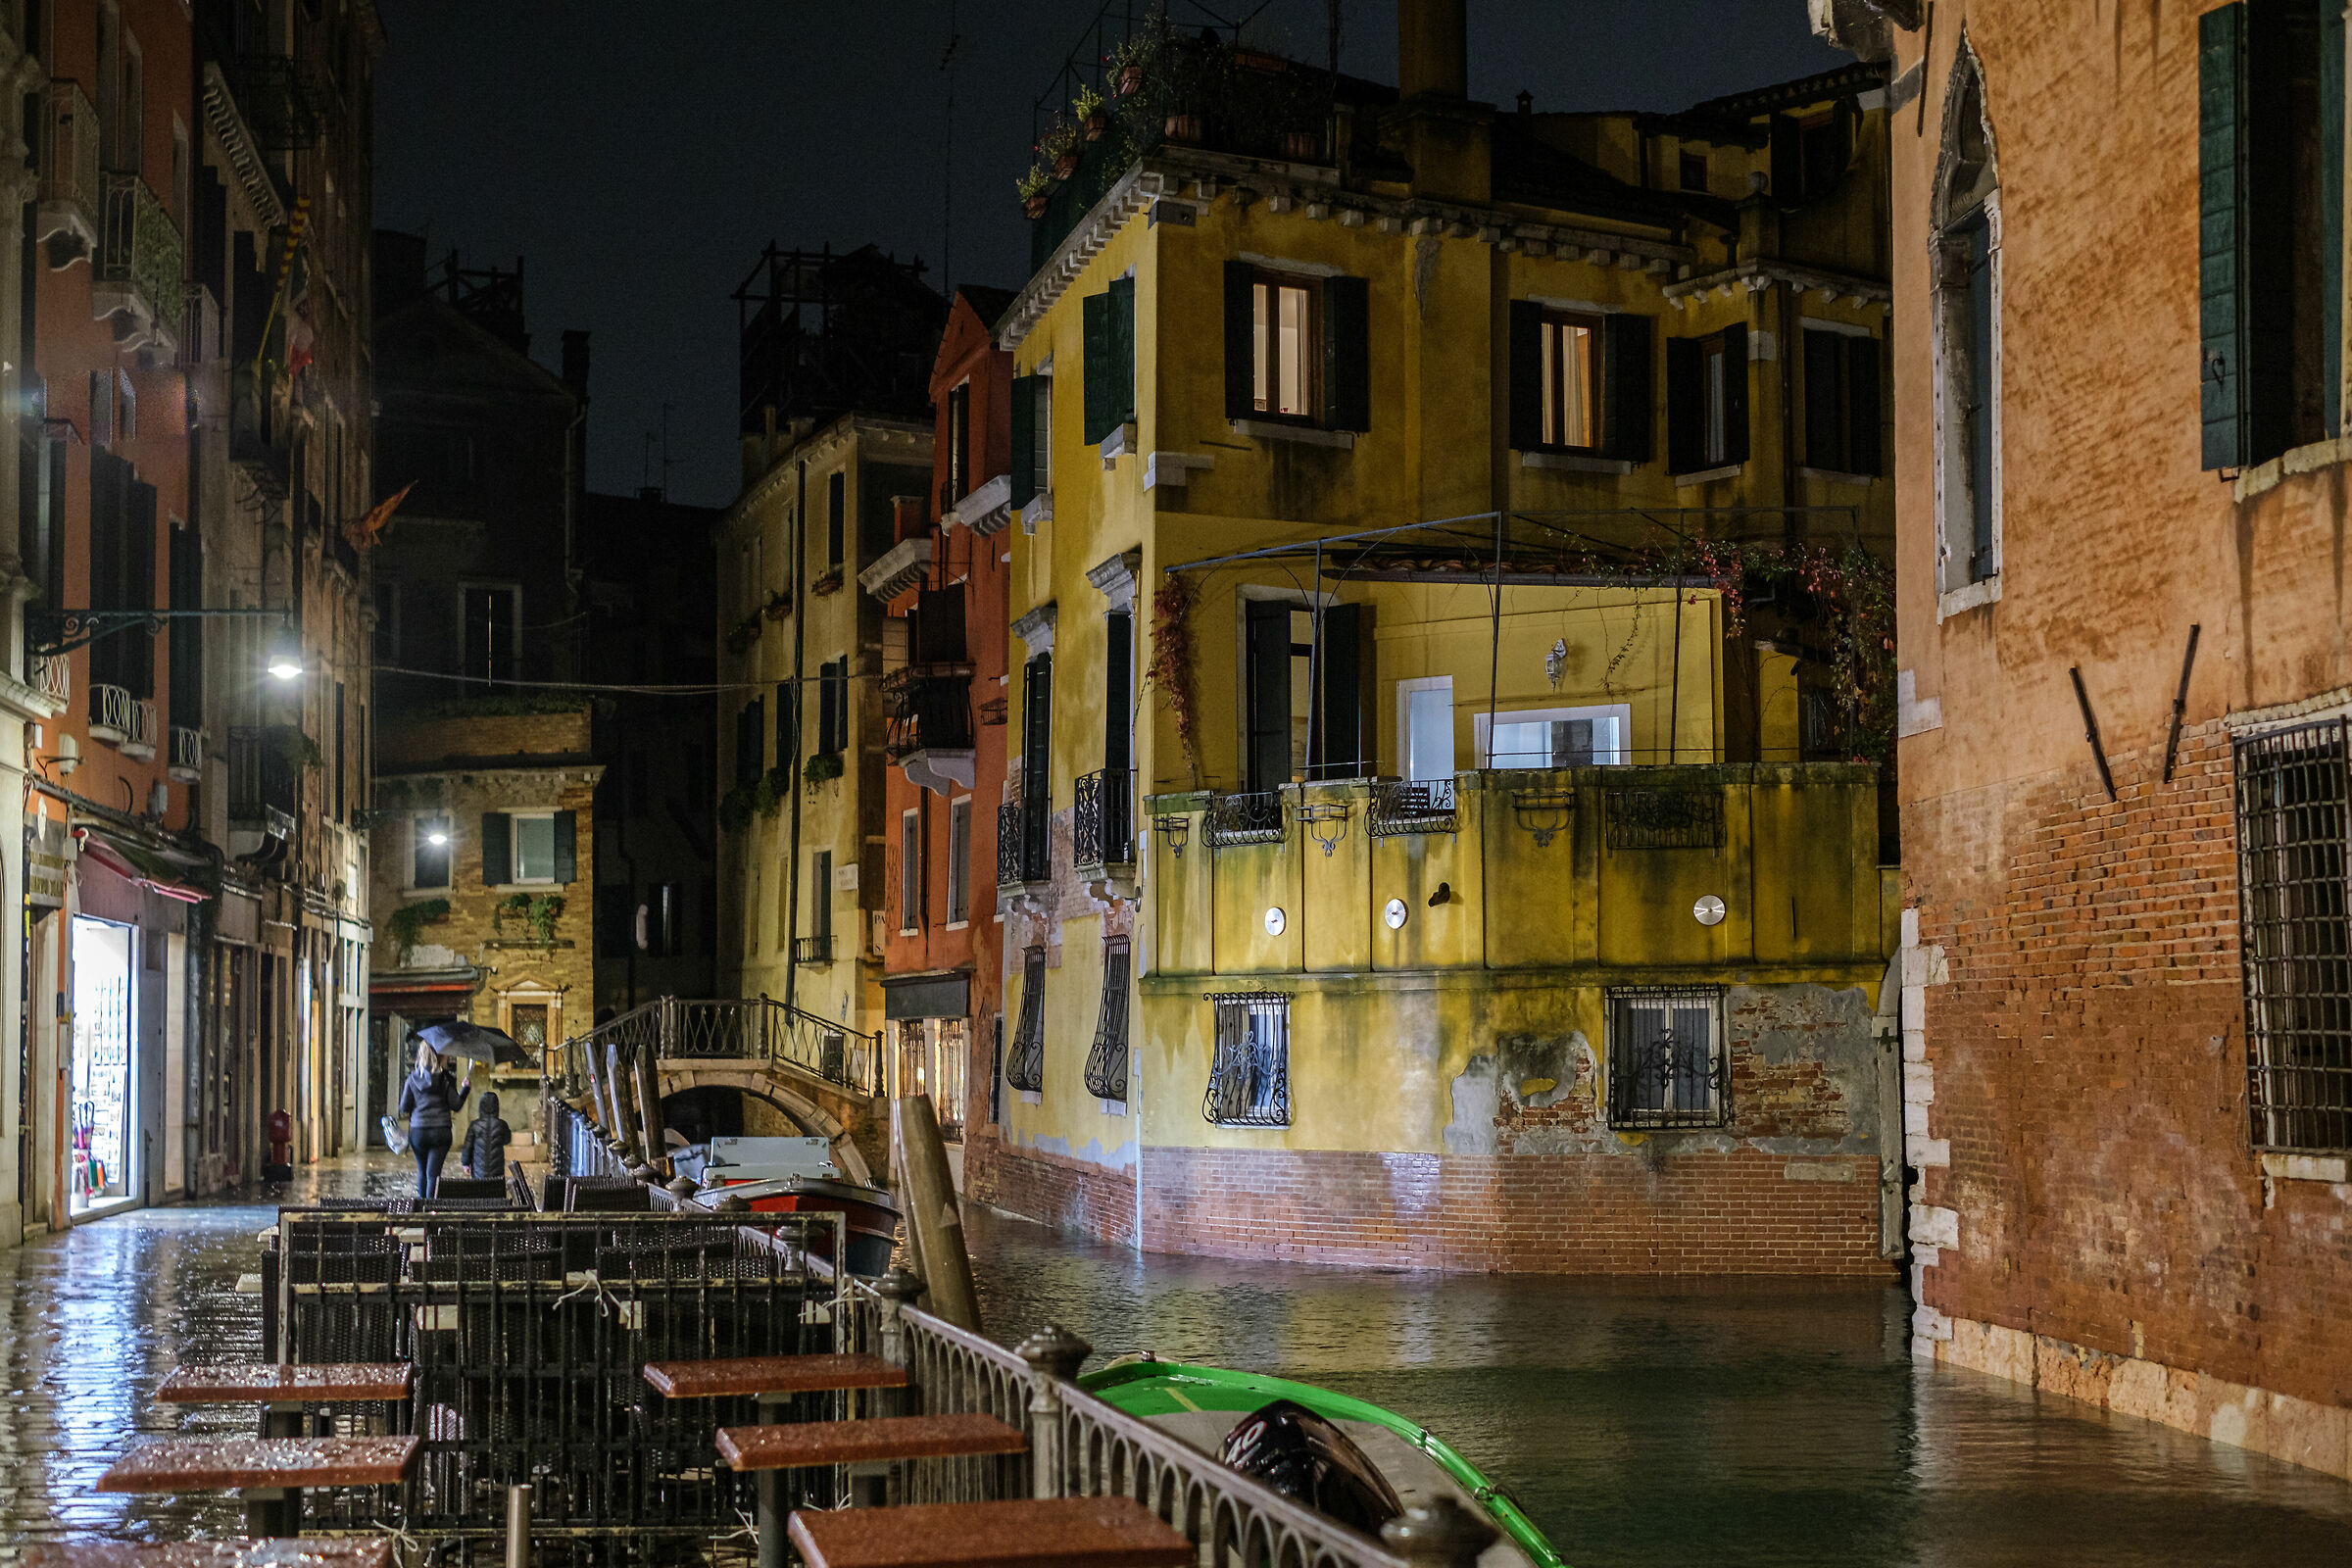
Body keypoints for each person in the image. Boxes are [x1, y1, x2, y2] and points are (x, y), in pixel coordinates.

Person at [397, 1044, 469, 1199]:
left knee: (422, 1172)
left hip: (418, 1132)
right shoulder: (445, 1078)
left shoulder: (412, 1078)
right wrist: (465, 1090)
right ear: (439, 1055)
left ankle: (421, 1211)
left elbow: (403, 1107)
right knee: (433, 1174)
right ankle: (431, 1212)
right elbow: (456, 1105)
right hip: (440, 1132)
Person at [461, 1091, 512, 1182]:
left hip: (478, 1169)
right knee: (495, 1189)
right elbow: (507, 1140)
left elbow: (467, 1146)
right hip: (497, 1168)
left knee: (479, 1189)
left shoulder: (474, 1125)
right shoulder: (502, 1125)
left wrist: (465, 1163)